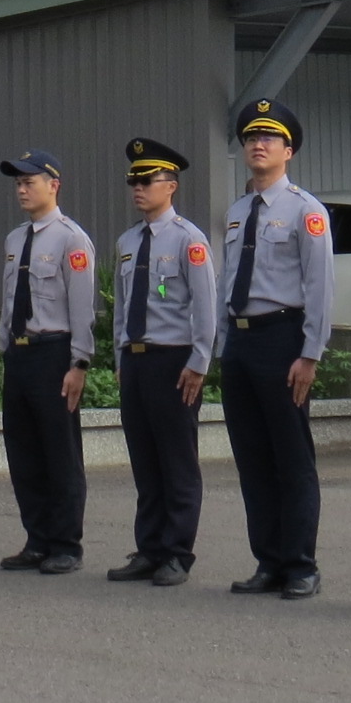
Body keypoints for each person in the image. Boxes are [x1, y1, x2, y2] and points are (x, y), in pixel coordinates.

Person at [217, 98, 337, 599]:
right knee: (252, 456)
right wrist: (223, 346)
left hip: (283, 339)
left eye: (269, 138)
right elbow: (227, 282)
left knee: (291, 456)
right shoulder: (238, 211)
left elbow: (320, 287)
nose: (258, 144)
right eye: (251, 137)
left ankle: (300, 563)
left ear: (289, 150)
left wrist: (310, 354)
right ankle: (267, 559)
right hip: (242, 342)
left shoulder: (306, 211)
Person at [110, 138, 221, 587]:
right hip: (136, 360)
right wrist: (119, 354)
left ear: (170, 186)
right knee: (145, 459)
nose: (138, 188)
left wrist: (199, 362)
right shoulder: (127, 241)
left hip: (174, 360)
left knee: (176, 460)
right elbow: (121, 306)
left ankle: (177, 551)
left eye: (147, 180)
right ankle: (149, 547)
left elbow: (206, 306)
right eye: (133, 180)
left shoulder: (188, 240)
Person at [0, 150, 96, 576]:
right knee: (24, 452)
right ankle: (36, 539)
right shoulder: (15, 239)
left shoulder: (72, 239)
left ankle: (65, 543)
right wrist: (3, 349)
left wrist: (80, 363)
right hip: (19, 353)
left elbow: (82, 307)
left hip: (54, 353)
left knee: (59, 452)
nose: (21, 189)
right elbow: (8, 300)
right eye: (17, 183)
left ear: (53, 185)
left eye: (29, 182)